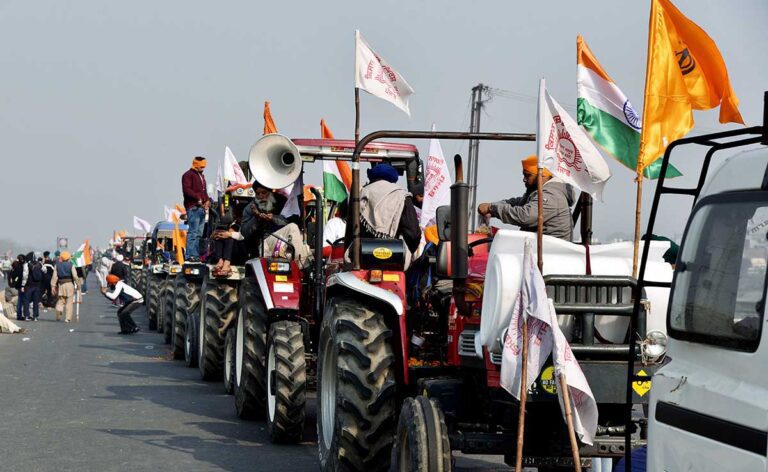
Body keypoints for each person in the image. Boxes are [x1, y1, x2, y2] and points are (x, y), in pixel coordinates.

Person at [477, 155, 575, 241]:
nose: (524, 179)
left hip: (550, 253)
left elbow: (525, 216)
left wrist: (492, 208)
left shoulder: (551, 195)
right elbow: (517, 202)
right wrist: (492, 206)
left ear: (542, 175)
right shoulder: (539, 193)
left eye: (527, 175)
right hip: (541, 247)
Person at [351, 164, 421, 266]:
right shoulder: (402, 196)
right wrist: (404, 252)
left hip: (360, 261)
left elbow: (350, 231)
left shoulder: (361, 194)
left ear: (372, 177)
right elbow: (413, 234)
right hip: (395, 260)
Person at [241, 181, 312, 268]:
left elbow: (289, 221)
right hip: (264, 243)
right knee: (292, 228)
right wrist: (256, 218)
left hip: (284, 240)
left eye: (264, 193)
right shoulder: (250, 208)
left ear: (270, 192)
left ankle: (303, 267)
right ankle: (303, 267)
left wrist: (273, 218)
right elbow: (244, 232)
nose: (260, 196)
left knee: (301, 236)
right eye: (258, 194)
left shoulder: (281, 202)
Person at [182, 156, 210, 262]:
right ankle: (190, 255)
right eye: (201, 166)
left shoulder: (202, 176)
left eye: (204, 166)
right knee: (193, 233)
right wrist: (197, 198)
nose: (203, 168)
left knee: (199, 234)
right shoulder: (187, 175)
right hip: (193, 208)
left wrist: (207, 200)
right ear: (195, 164)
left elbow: (204, 191)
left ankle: (196, 255)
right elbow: (187, 190)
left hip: (202, 209)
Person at [51, 251, 81, 323]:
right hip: (69, 284)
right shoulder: (71, 265)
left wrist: (53, 286)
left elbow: (54, 277)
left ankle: (59, 311)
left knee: (61, 300)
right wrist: (78, 285)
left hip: (61, 285)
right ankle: (67, 318)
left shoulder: (57, 265)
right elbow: (75, 276)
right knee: (69, 302)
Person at [22, 255, 44, 321]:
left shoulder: (27, 265)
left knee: (26, 301)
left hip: (29, 285)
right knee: (36, 301)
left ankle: (26, 316)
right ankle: (35, 317)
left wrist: (23, 285)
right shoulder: (40, 264)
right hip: (37, 286)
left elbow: (25, 276)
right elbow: (45, 270)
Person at [8, 255, 26, 321]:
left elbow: (12, 276)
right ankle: (20, 315)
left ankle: (20, 315)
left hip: (17, 286)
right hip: (21, 286)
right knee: (21, 301)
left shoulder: (14, 268)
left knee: (20, 301)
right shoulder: (21, 267)